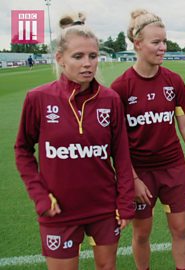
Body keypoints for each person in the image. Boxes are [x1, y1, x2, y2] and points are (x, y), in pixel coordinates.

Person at [14, 12, 135, 270]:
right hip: (59, 212)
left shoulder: (110, 100)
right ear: (60, 59)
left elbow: (122, 156)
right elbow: (22, 150)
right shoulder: (38, 98)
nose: (87, 64)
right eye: (78, 56)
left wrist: (125, 202)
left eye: (93, 56)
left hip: (104, 208)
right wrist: (40, 196)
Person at [110, 9, 185, 270]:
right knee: (142, 233)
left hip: (173, 168)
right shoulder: (120, 88)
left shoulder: (173, 81)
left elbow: (184, 123)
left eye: (164, 41)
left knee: (180, 229)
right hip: (140, 172)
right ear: (138, 43)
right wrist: (133, 179)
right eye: (156, 42)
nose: (163, 47)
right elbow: (115, 143)